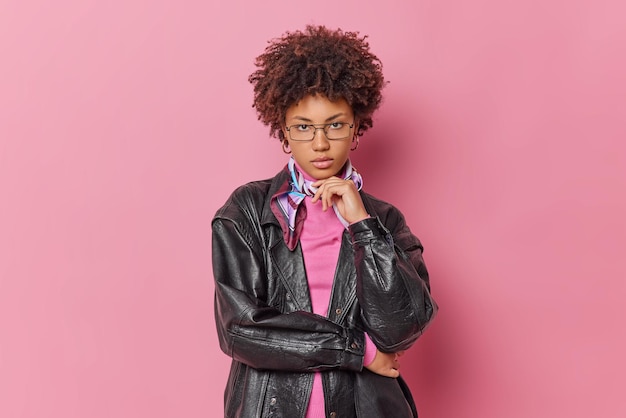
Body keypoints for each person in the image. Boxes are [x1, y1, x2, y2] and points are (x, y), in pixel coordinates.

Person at [212, 25, 437, 418]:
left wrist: (361, 226)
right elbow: (242, 328)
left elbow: (402, 328)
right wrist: (358, 350)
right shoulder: (247, 211)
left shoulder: (383, 220)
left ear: (355, 129)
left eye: (335, 124)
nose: (319, 143)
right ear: (283, 131)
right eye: (303, 127)